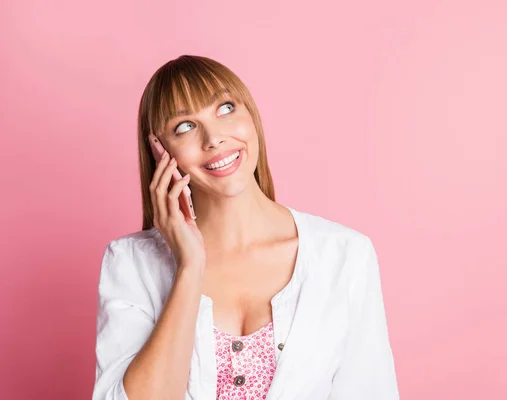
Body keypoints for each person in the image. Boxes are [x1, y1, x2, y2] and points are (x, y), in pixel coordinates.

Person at [92, 55, 399, 400]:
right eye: (185, 126)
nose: (214, 138)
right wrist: (190, 268)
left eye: (225, 108)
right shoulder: (131, 262)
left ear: (251, 116)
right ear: (159, 151)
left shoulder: (344, 254)